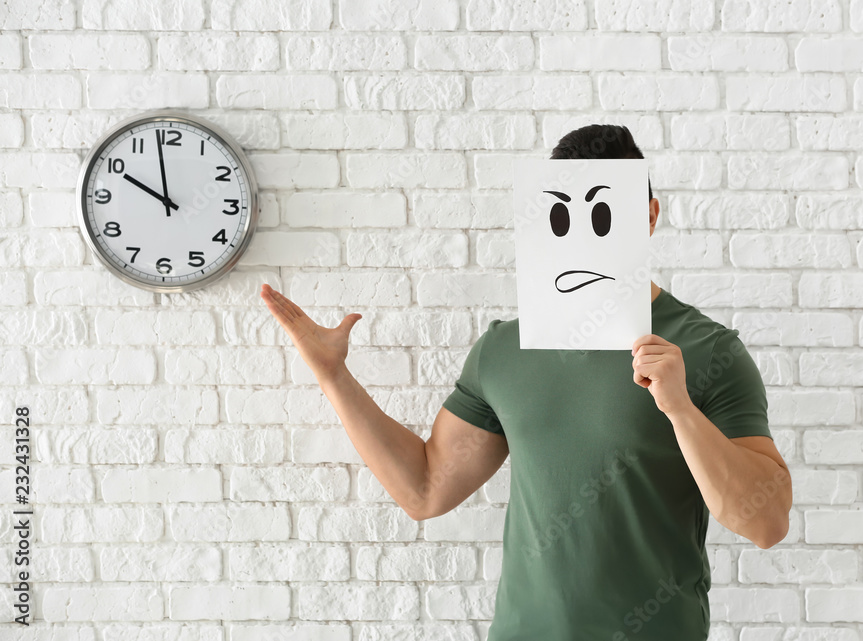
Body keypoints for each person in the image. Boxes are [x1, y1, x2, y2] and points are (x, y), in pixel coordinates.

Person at [260, 124, 792, 641]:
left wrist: (680, 410)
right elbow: (425, 489)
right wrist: (334, 376)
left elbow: (765, 523)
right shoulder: (506, 351)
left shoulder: (707, 351)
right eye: (564, 214)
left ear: (648, 216)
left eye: (604, 213)